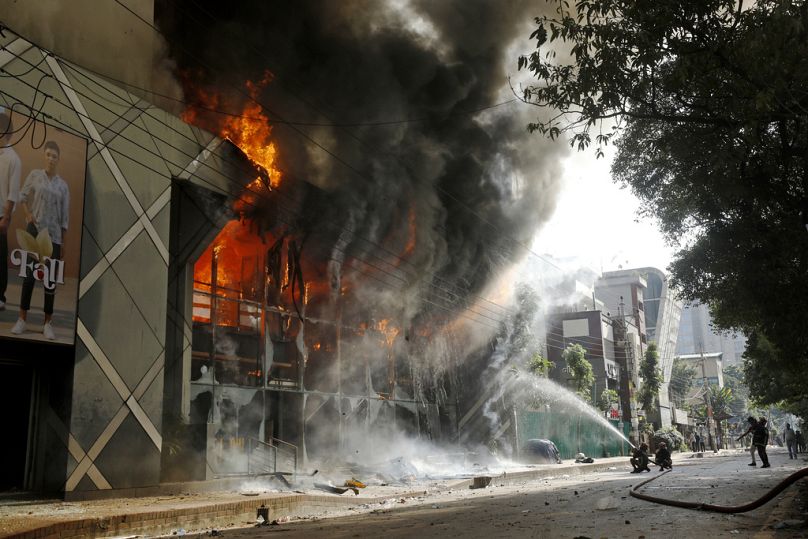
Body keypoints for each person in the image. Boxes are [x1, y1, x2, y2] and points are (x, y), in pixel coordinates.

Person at [10, 141, 69, 340]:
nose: (51, 158)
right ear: (44, 156)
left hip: (53, 238)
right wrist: (27, 215)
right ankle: (22, 319)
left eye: (55, 155)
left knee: (49, 282)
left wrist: (63, 243)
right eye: (48, 154)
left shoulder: (63, 186)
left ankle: (47, 324)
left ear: (58, 159)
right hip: (34, 234)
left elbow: (65, 216)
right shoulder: (35, 175)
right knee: (28, 277)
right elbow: (22, 196)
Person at [0, 111, 21, 311]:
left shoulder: (13, 159)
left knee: (0, 258)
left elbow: (13, 194)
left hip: (0, 216)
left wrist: (6, 218)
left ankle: (1, 297)